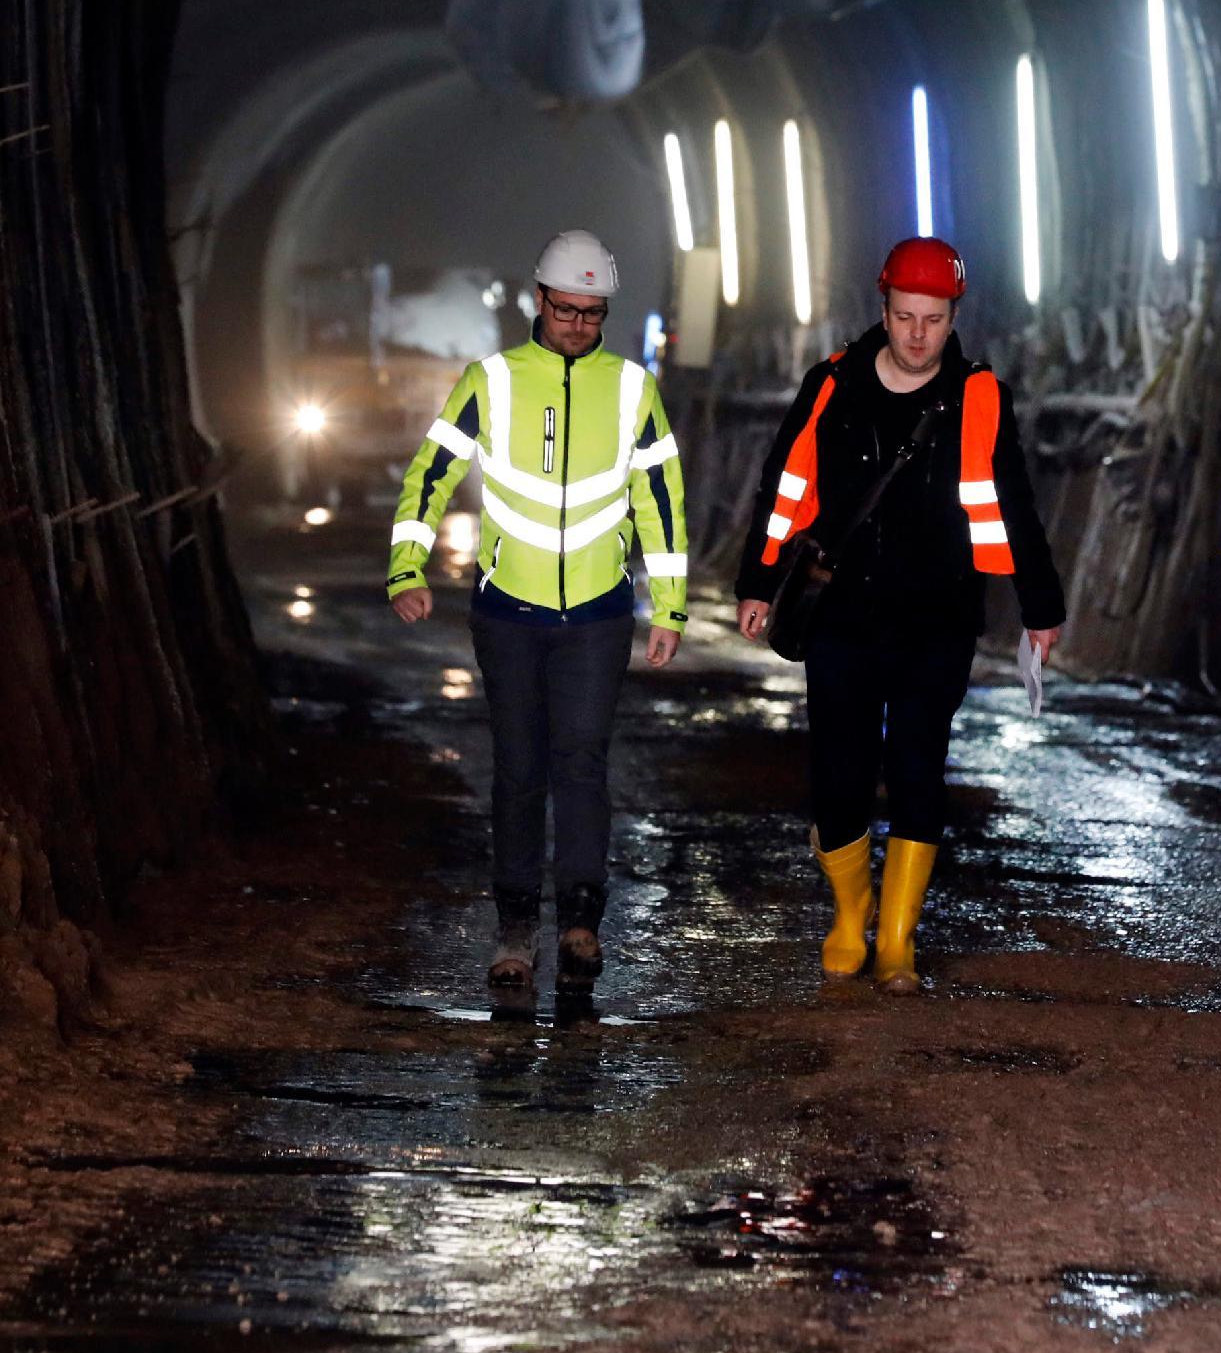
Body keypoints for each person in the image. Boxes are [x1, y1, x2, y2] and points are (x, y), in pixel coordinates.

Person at [735, 237, 1065, 994]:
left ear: (954, 318)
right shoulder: (832, 386)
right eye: (906, 316)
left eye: (934, 319)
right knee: (840, 772)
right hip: (841, 615)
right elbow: (784, 485)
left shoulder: (980, 396)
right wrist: (758, 581)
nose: (919, 334)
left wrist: (1040, 606)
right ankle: (851, 913)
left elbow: (1013, 502)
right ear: (882, 311)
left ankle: (897, 940)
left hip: (937, 618)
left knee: (918, 767)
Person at [388, 230, 688, 990]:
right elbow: (431, 471)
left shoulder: (633, 389)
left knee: (581, 764)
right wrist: (406, 568)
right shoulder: (490, 380)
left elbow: (660, 498)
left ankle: (581, 921)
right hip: (508, 613)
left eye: (593, 313)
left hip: (597, 613)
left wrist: (671, 608)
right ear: (538, 300)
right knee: (519, 769)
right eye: (566, 310)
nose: (579, 326)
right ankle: (516, 926)